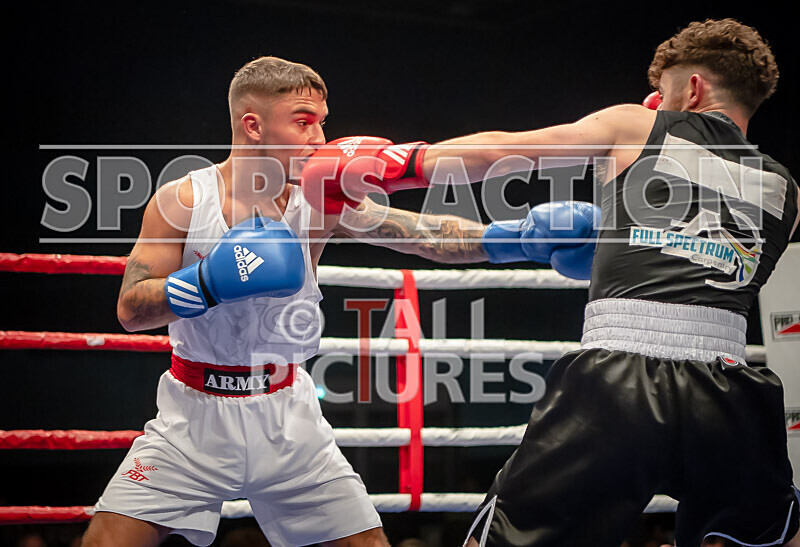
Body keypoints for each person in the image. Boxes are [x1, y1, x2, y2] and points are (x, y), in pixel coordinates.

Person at [303, 18, 800, 547]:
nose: (654, 101)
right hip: (731, 396)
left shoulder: (637, 125)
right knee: (769, 537)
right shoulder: (788, 193)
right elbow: (700, 264)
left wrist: (403, 162)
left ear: (693, 88)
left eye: (665, 89)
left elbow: (502, 152)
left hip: (622, 381)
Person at [80, 56, 597, 547]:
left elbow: (422, 233)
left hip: (288, 415)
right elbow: (131, 308)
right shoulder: (184, 200)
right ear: (253, 125)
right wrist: (210, 281)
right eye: (303, 122)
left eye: (322, 123)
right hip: (192, 416)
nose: (319, 139)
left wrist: (516, 239)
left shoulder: (320, 196)